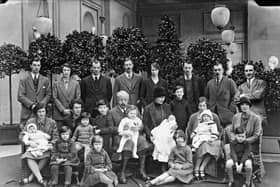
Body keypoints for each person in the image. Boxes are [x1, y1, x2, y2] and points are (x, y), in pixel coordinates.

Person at [107, 90, 150, 183]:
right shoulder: (112, 112)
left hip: (134, 134)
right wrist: (123, 130)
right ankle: (122, 171)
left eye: (125, 100)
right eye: (121, 100)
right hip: (120, 136)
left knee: (142, 141)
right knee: (129, 143)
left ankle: (141, 170)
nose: (123, 102)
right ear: (117, 100)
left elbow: (141, 124)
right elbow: (111, 128)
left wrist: (139, 127)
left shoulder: (133, 109)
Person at [20, 103, 58, 186]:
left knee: (46, 155)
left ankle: (31, 177)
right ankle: (40, 179)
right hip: (33, 146)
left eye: (43, 111)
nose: (41, 114)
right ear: (36, 113)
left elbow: (55, 136)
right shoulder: (30, 121)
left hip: (45, 147)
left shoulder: (51, 122)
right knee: (28, 156)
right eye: (39, 112)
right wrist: (30, 142)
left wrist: (51, 144)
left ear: (46, 112)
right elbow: (22, 134)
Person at [227, 97, 264, 178]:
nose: (244, 106)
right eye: (242, 104)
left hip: (250, 144)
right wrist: (235, 138)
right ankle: (230, 174)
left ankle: (250, 173)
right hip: (237, 143)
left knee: (247, 152)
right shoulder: (236, 116)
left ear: (249, 106)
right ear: (240, 106)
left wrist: (245, 140)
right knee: (227, 148)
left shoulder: (256, 118)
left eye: (246, 105)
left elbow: (256, 135)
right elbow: (231, 130)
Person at [186, 97, 222, 178]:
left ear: (207, 106)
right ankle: (198, 168)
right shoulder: (193, 116)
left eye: (204, 106)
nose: (202, 108)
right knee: (205, 146)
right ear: (198, 107)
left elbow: (219, 129)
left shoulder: (213, 116)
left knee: (215, 145)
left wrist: (214, 137)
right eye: (200, 106)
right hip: (199, 139)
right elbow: (189, 129)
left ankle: (202, 167)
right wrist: (193, 136)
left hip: (211, 138)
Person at [18, 57, 51, 124]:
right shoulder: (24, 80)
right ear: (31, 66)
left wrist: (41, 105)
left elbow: (48, 94)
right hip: (28, 113)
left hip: (41, 113)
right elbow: (20, 96)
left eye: (38, 65)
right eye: (34, 65)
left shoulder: (45, 80)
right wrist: (32, 105)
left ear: (40, 66)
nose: (36, 67)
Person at [205, 63, 238, 127]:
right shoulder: (210, 83)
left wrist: (231, 109)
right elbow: (206, 97)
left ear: (223, 70)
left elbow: (235, 96)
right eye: (215, 70)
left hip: (226, 114)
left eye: (219, 70)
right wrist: (209, 108)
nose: (217, 72)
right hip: (213, 114)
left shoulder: (229, 82)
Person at [53, 63, 81, 129]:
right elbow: (54, 97)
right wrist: (63, 110)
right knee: (60, 133)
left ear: (70, 71)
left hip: (72, 114)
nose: (66, 72)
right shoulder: (56, 84)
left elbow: (78, 97)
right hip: (59, 114)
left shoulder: (76, 83)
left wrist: (72, 109)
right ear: (62, 71)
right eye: (64, 70)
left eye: (68, 70)